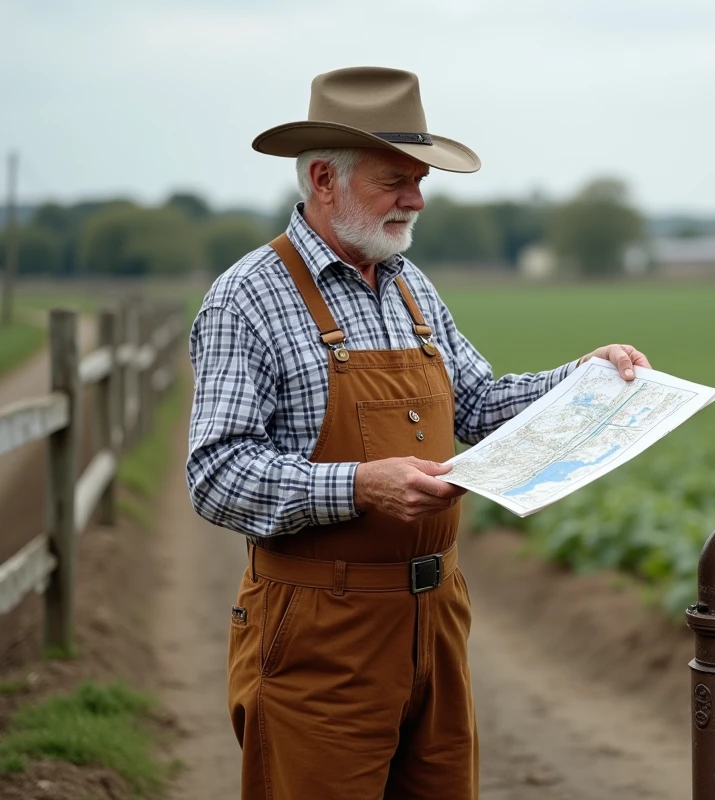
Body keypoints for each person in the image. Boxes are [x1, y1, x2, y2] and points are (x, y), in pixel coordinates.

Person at [185, 66, 651, 800]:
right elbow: (215, 473)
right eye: (395, 179)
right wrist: (359, 486)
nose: (417, 198)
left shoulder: (410, 284)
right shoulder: (247, 298)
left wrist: (580, 379)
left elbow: (477, 402)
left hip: (437, 621)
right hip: (317, 634)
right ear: (323, 179)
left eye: (420, 178)